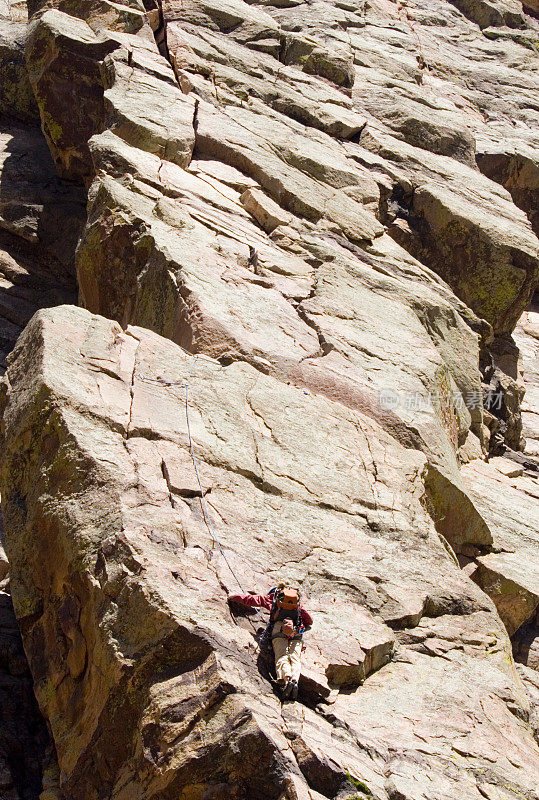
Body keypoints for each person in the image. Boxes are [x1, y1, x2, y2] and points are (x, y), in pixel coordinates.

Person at [228, 583, 313, 700]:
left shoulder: (272, 598)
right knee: (295, 657)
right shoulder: (296, 603)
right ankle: (294, 680)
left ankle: (286, 679)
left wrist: (234, 596)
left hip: (279, 629)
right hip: (296, 631)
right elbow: (309, 620)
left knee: (282, 655)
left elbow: (252, 600)